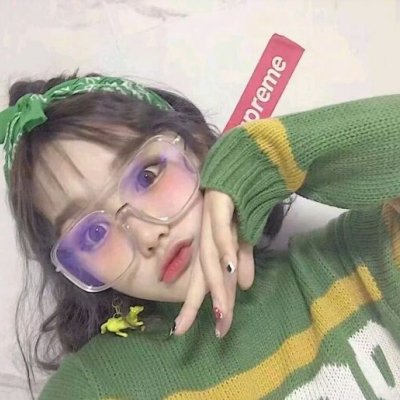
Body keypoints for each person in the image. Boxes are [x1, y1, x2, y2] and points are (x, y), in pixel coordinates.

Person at [1, 73, 400, 400]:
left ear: (198, 146)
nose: (147, 234)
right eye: (92, 234)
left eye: (148, 176)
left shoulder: (356, 262)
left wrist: (260, 158)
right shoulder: (93, 390)